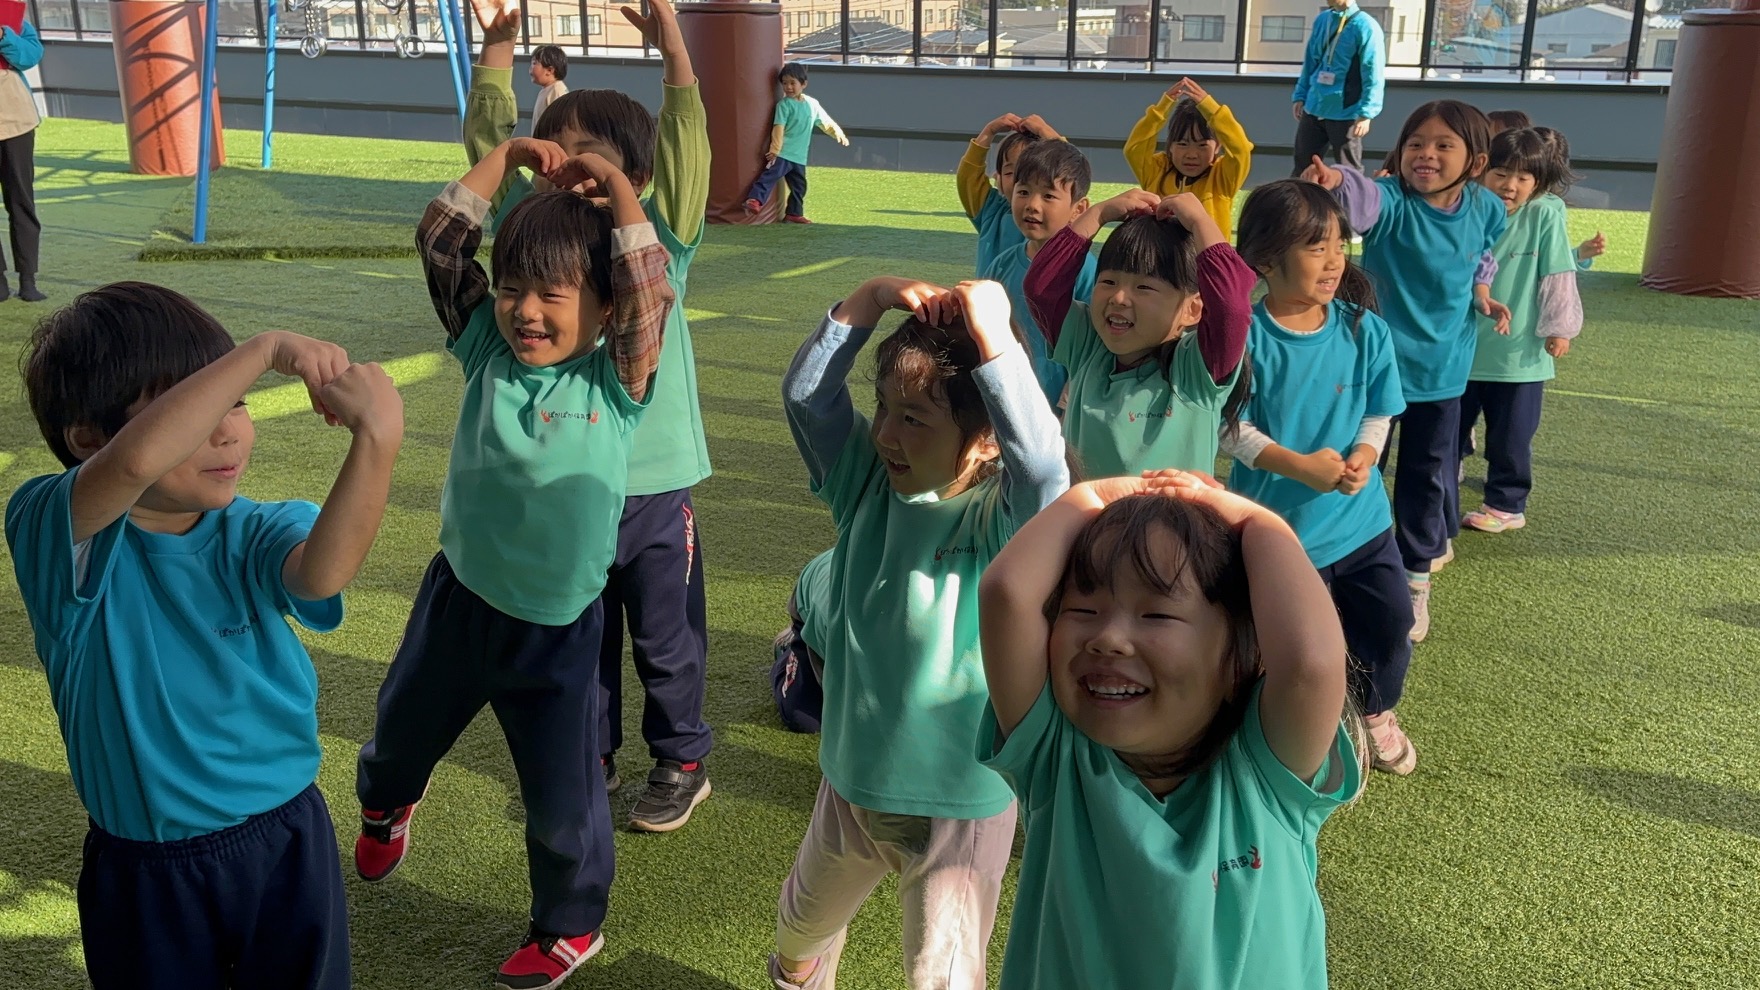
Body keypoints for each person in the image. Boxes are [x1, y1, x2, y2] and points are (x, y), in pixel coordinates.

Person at [6, 283, 404, 988]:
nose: (226, 431)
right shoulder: (57, 532)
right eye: (192, 409)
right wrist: (265, 349)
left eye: (238, 402)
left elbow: (320, 575)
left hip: (286, 832)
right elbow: (133, 465)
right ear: (89, 438)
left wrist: (378, 440)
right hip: (147, 866)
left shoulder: (254, 526)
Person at [353, 137, 674, 990]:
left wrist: (614, 182)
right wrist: (502, 157)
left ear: (602, 311)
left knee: (565, 798)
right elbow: (440, 246)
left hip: (556, 633)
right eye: (511, 289)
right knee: (399, 731)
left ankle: (570, 925)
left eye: (552, 295)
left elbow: (648, 288)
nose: (525, 311)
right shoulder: (486, 351)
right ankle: (388, 803)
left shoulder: (617, 382)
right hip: (459, 600)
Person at [768, 279, 1068, 990]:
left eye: (915, 419)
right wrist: (869, 299)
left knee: (943, 975)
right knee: (798, 931)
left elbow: (1042, 468)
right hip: (851, 781)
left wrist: (994, 337)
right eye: (884, 408)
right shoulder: (866, 486)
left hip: (957, 807)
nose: (885, 434)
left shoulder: (1001, 522)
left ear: (985, 439)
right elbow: (806, 398)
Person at [463, 0, 718, 833]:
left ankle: (681, 759)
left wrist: (675, 50)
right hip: (571, 491)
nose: (567, 172)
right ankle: (594, 754)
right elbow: (490, 150)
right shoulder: (540, 240)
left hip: (654, 490)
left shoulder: (659, 241)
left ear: (633, 178)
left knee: (666, 638)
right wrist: (496, 55)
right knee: (587, 632)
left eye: (591, 160)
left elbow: (686, 153)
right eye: (555, 157)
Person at [976, 472, 1364, 990]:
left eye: (1156, 614)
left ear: (1241, 652)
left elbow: (1310, 663)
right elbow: (1006, 593)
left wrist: (1253, 519)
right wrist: (1092, 495)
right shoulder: (1056, 757)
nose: (1108, 638)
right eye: (1083, 609)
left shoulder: (1265, 775)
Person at [1226, 179, 1419, 774]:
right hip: (1277, 534)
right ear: (1265, 260)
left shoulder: (1365, 329)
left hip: (1363, 527)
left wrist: (1366, 454)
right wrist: (1297, 466)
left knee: (1392, 623)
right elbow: (1227, 428)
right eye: (1316, 247)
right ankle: (1285, 729)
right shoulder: (1244, 336)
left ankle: (1374, 711)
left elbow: (1379, 410)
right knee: (1288, 648)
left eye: (1339, 243)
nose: (1335, 260)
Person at [1302, 100, 1508, 643]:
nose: (1426, 154)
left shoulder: (1487, 207)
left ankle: (1416, 578)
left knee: (1427, 475)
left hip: (1443, 371)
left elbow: (1483, 253)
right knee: (1357, 466)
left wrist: (1483, 292)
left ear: (1475, 162)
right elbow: (1361, 197)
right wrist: (1336, 179)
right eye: (1416, 143)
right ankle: (1336, 563)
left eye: (1443, 145)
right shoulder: (1393, 201)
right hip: (1375, 370)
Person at [1024, 189, 1254, 477]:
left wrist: (1200, 222)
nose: (1119, 298)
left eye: (1144, 287)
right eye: (1108, 281)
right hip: (1085, 509)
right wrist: (1097, 214)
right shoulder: (1086, 346)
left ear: (1193, 309)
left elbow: (1231, 308)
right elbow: (1041, 288)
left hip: (1169, 510)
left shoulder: (1196, 370)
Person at [1458, 127, 1585, 536]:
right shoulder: (1466, 206)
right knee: (1449, 426)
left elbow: (1557, 273)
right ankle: (1445, 478)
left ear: (1539, 183)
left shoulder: (1543, 214)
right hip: (1461, 348)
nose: (1509, 186)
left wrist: (1560, 328)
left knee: (1511, 437)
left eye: (1522, 178)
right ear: (1481, 170)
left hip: (1518, 355)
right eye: (1500, 173)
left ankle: (1506, 504)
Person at [981, 138, 1094, 404]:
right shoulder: (1001, 264)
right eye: (1023, 192)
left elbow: (1093, 347)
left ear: (1078, 209)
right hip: (1004, 398)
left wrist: (1068, 404)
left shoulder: (1085, 269)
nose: (1032, 204)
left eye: (1048, 196)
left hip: (1057, 407)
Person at [1124, 77, 1253, 240]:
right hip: (1159, 254)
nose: (1192, 154)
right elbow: (1134, 149)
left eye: (1202, 145)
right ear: (1170, 145)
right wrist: (1161, 109)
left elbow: (1241, 149)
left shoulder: (1222, 177)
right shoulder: (1156, 170)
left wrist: (1211, 109)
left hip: (1205, 256)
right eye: (1183, 144)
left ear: (1217, 147)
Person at [743, 62, 847, 224]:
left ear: (803, 84)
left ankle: (794, 213)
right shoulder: (784, 105)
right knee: (769, 177)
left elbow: (825, 122)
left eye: (793, 83)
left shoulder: (812, 104)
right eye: (785, 83)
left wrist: (837, 133)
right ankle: (754, 200)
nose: (788, 87)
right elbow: (778, 128)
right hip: (783, 154)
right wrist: (775, 150)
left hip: (799, 157)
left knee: (799, 187)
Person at [1290, 0, 1385, 175]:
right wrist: (1300, 95)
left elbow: (1373, 72)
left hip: (1345, 111)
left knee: (1349, 171)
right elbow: (1310, 61)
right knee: (1303, 167)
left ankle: (1351, 196)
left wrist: (1366, 114)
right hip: (1314, 106)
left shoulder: (1366, 26)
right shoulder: (1322, 20)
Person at [957, 112, 1059, 275]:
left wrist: (1046, 132)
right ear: (998, 179)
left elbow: (1070, 172)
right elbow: (968, 178)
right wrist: (989, 131)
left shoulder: (1055, 213)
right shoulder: (991, 211)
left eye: (1029, 172)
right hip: (987, 293)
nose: (1019, 179)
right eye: (1010, 172)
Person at [0, 15, 45, 301]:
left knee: (21, 201)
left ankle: (28, 279)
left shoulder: (11, 17)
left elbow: (31, 55)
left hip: (17, 123)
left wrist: (4, 37)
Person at [528, 44, 568, 131]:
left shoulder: (557, 91)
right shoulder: (547, 89)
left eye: (534, 63)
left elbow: (560, 123)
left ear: (549, 70)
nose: (530, 68)